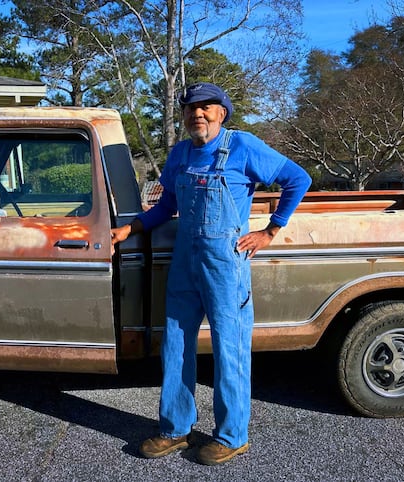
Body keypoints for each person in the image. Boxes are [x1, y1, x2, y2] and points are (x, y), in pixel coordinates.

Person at [111, 82, 311, 466]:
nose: (196, 114)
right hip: (185, 261)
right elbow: (167, 204)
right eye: (189, 108)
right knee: (176, 344)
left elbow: (297, 179)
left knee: (229, 348)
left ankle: (232, 435)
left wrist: (270, 230)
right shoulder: (181, 153)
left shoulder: (242, 146)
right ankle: (174, 430)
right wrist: (131, 228)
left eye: (206, 107)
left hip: (225, 264)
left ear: (222, 112)